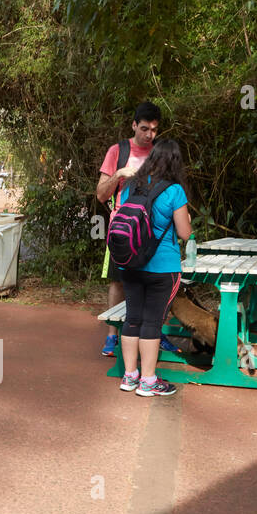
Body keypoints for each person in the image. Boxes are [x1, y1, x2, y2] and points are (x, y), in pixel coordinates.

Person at [113, 137, 190, 397]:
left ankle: (129, 376)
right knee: (152, 322)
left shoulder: (131, 185)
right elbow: (185, 233)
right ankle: (148, 381)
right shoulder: (174, 190)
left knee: (133, 318)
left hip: (130, 263)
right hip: (162, 267)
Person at [96, 101, 160, 356]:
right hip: (122, 228)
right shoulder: (117, 151)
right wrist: (118, 174)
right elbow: (101, 195)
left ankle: (152, 333)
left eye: (154, 130)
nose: (148, 134)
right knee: (118, 282)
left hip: (153, 229)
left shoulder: (159, 154)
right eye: (144, 128)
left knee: (154, 282)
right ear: (134, 125)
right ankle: (112, 335)